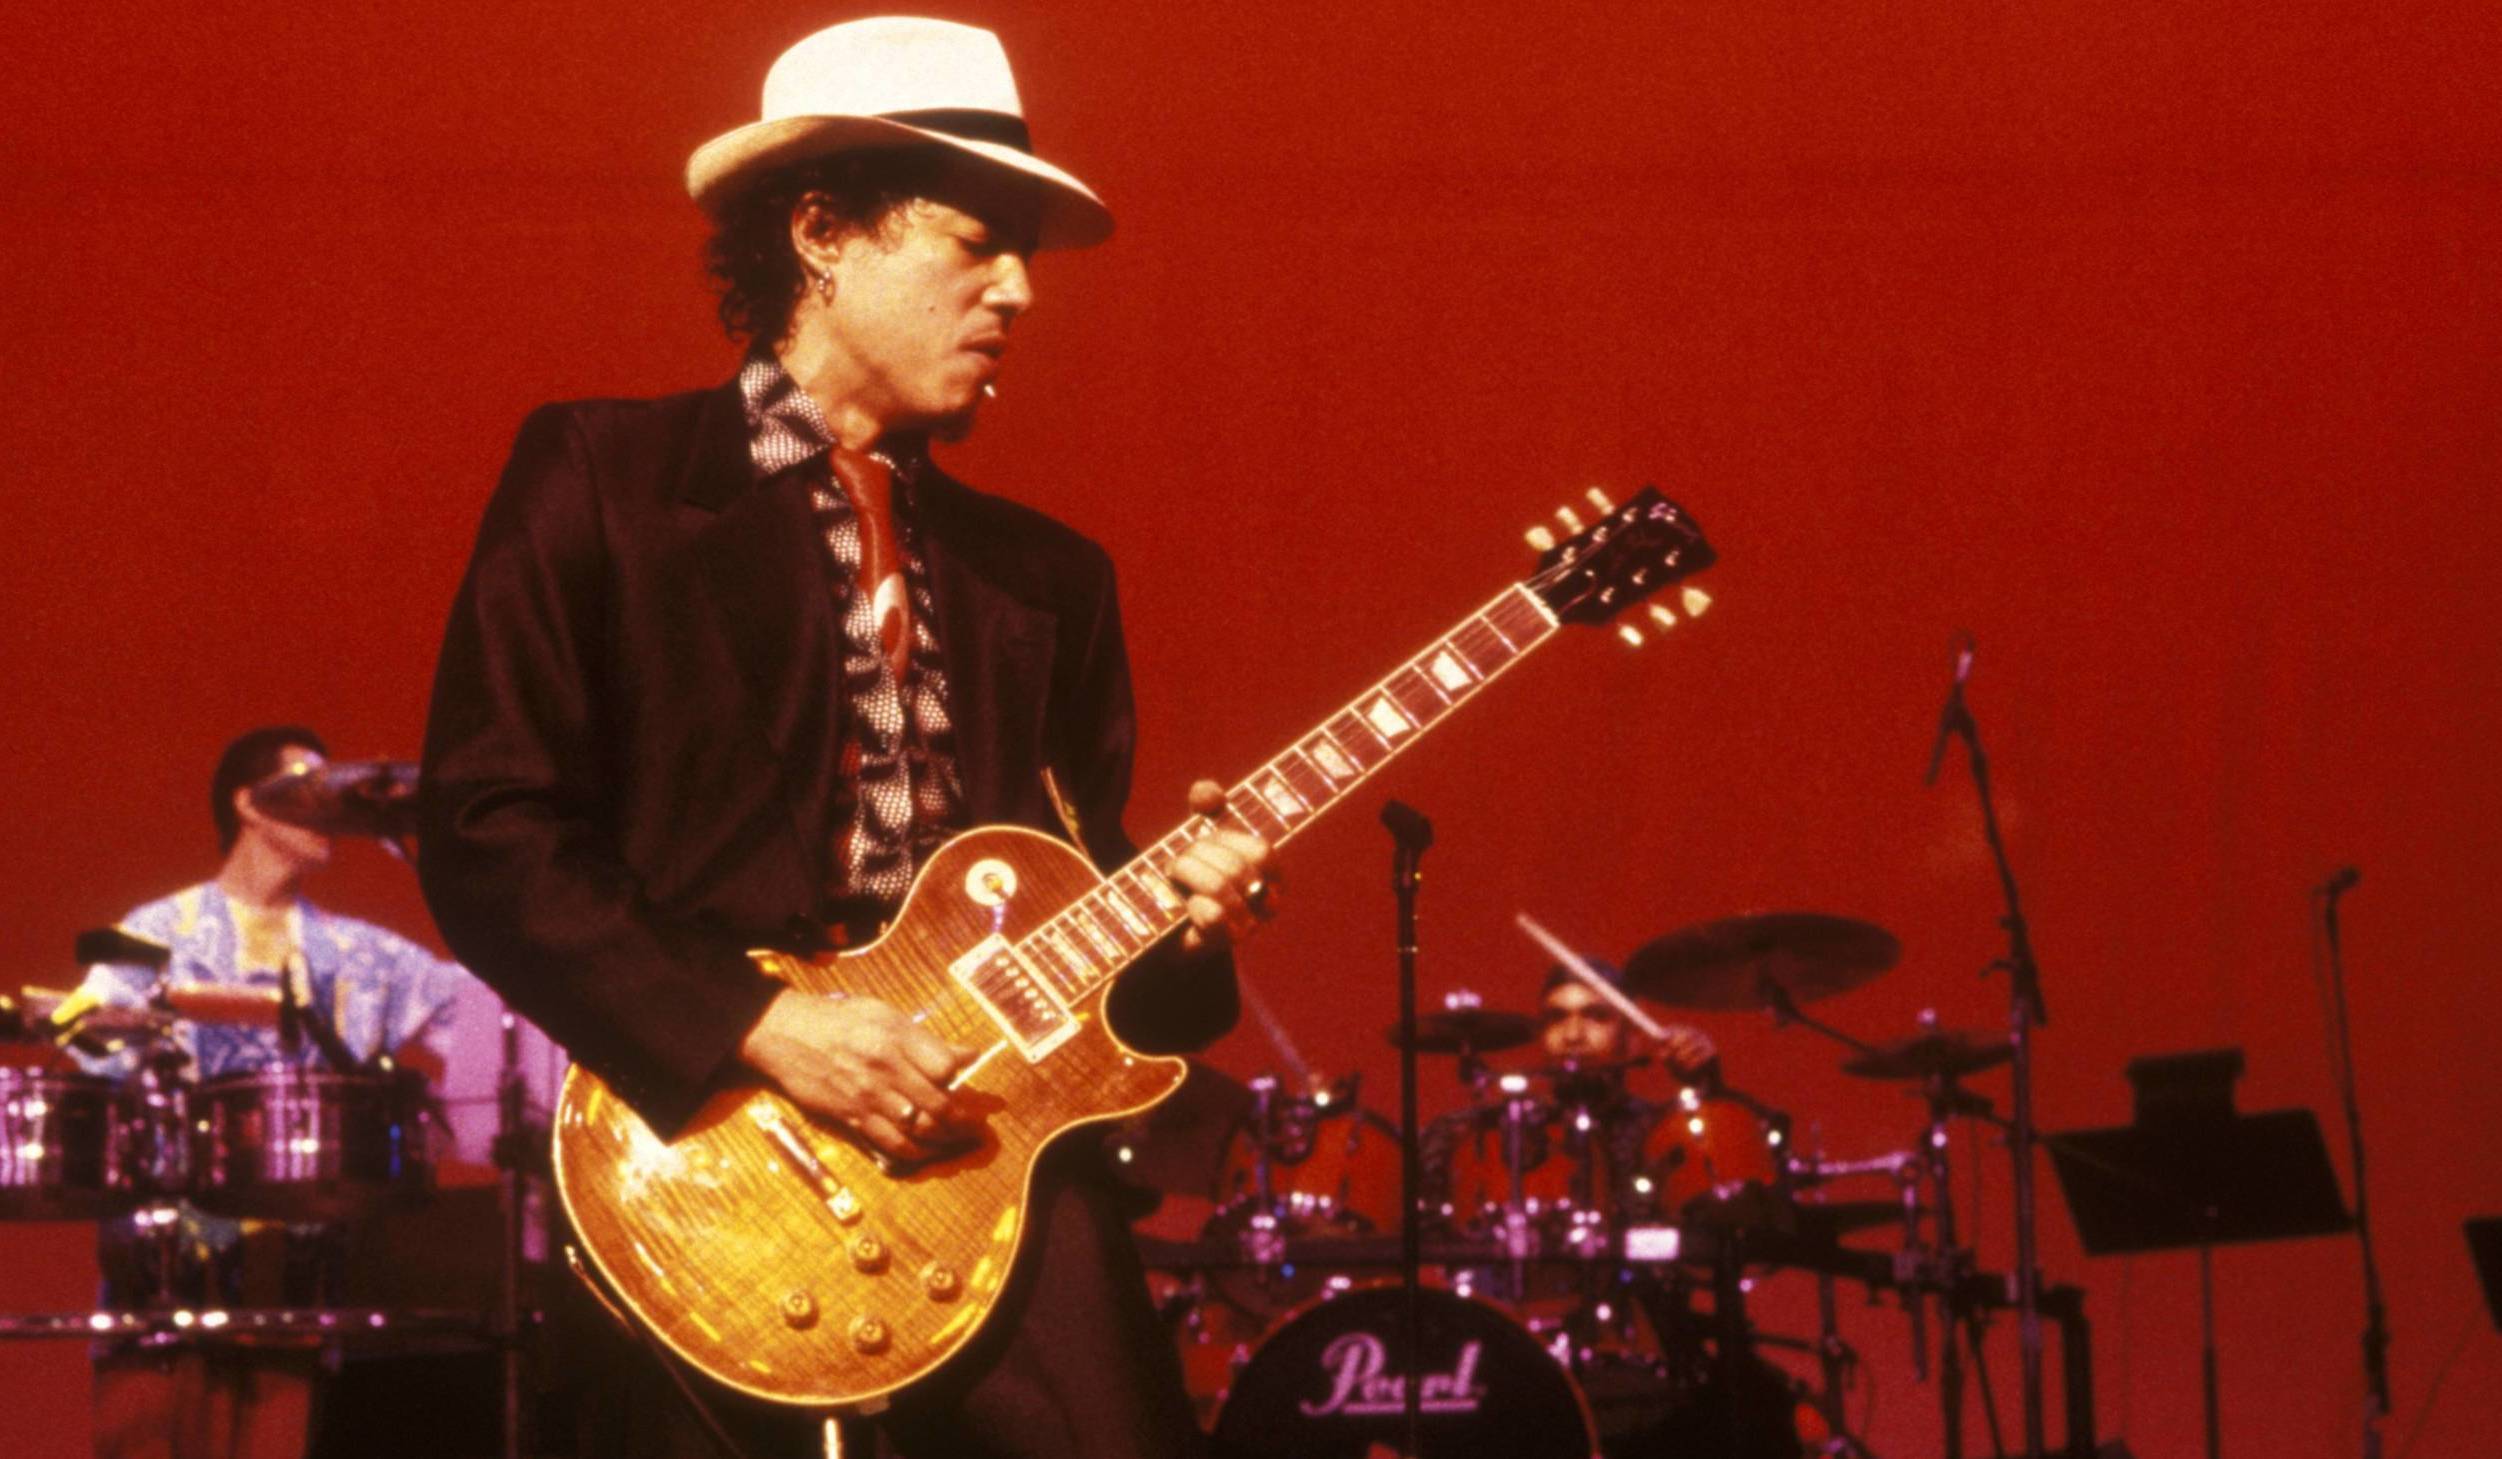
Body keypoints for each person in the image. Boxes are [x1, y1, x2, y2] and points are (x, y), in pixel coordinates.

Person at [416, 17, 1273, 1459]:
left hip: (984, 1151)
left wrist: (1182, 929)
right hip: (711, 1155)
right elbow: (488, 828)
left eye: (1025, 259)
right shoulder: (605, 478)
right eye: (975, 243)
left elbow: (1093, 948)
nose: (1017, 291)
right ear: (821, 231)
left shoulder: (1048, 579)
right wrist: (760, 1026)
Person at [74, 725, 461, 1459]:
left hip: (296, 1281)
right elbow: (85, 1044)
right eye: (307, 790)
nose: (330, 811)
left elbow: (478, 1019)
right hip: (167, 1277)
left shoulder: (360, 953)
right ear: (250, 803)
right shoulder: (156, 932)